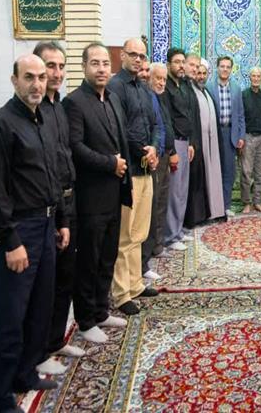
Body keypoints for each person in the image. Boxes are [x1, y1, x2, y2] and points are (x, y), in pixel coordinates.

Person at [0, 54, 67, 412]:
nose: (37, 84)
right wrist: (10, 241)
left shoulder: (42, 119)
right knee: (10, 317)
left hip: (45, 226)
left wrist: (60, 220)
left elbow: (52, 175)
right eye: (29, 77)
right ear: (14, 80)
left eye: (42, 77)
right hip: (17, 230)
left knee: (39, 309)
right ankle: (1, 397)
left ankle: (25, 374)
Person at [63, 43, 131, 343]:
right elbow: (75, 147)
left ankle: (101, 310)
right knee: (88, 260)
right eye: (95, 63)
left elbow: (120, 139)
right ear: (84, 67)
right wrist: (110, 164)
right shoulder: (74, 102)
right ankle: (86, 319)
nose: (102, 69)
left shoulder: (112, 98)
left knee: (107, 255)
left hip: (114, 192)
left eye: (105, 63)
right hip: (91, 196)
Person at [33, 42, 85, 377]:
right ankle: (37, 351)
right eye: (49, 66)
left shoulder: (59, 108)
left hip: (67, 202)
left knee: (65, 276)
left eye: (60, 66)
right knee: (44, 285)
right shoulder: (33, 112)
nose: (56, 73)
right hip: (44, 208)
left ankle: (55, 340)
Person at [106, 38, 162, 316]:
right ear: (122, 56)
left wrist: (154, 147)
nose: (138, 59)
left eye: (142, 55)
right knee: (125, 236)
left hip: (146, 168)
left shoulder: (143, 88)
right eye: (133, 55)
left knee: (139, 232)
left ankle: (136, 283)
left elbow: (154, 124)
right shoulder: (115, 87)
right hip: (128, 171)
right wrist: (144, 149)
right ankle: (122, 292)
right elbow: (119, 129)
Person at [164, 48, 198, 252]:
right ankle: (169, 236)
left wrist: (191, 142)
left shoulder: (184, 86)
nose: (180, 65)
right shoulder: (166, 87)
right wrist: (172, 151)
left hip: (186, 142)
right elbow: (167, 120)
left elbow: (188, 116)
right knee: (173, 191)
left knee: (182, 190)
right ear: (169, 65)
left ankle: (178, 230)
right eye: (176, 62)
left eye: (182, 61)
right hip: (174, 143)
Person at [143, 62, 175, 280]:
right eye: (158, 78)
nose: (162, 83)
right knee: (152, 205)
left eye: (164, 79)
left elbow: (164, 126)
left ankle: (158, 245)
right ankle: (148, 253)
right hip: (152, 158)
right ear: (149, 78)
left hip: (164, 154)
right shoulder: (147, 97)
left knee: (162, 200)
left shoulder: (161, 98)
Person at [186, 59, 226, 226]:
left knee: (214, 175)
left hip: (211, 143)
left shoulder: (206, 92)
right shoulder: (190, 92)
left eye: (204, 73)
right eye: (198, 73)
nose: (201, 76)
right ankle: (199, 216)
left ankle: (215, 210)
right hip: (198, 144)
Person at [207, 56, 246, 213]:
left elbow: (241, 114)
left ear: (231, 69)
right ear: (217, 68)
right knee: (215, 171)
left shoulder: (236, 88)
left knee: (229, 172)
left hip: (230, 134)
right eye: (222, 66)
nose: (225, 69)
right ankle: (214, 207)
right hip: (214, 134)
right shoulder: (209, 87)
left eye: (228, 67)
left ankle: (226, 206)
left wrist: (241, 136)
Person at [240, 66, 261, 213]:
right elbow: (240, 117)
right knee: (246, 172)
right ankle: (246, 202)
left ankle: (257, 201)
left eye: (259, 76)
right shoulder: (243, 95)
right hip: (248, 137)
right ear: (250, 77)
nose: (256, 79)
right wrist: (241, 138)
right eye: (254, 76)